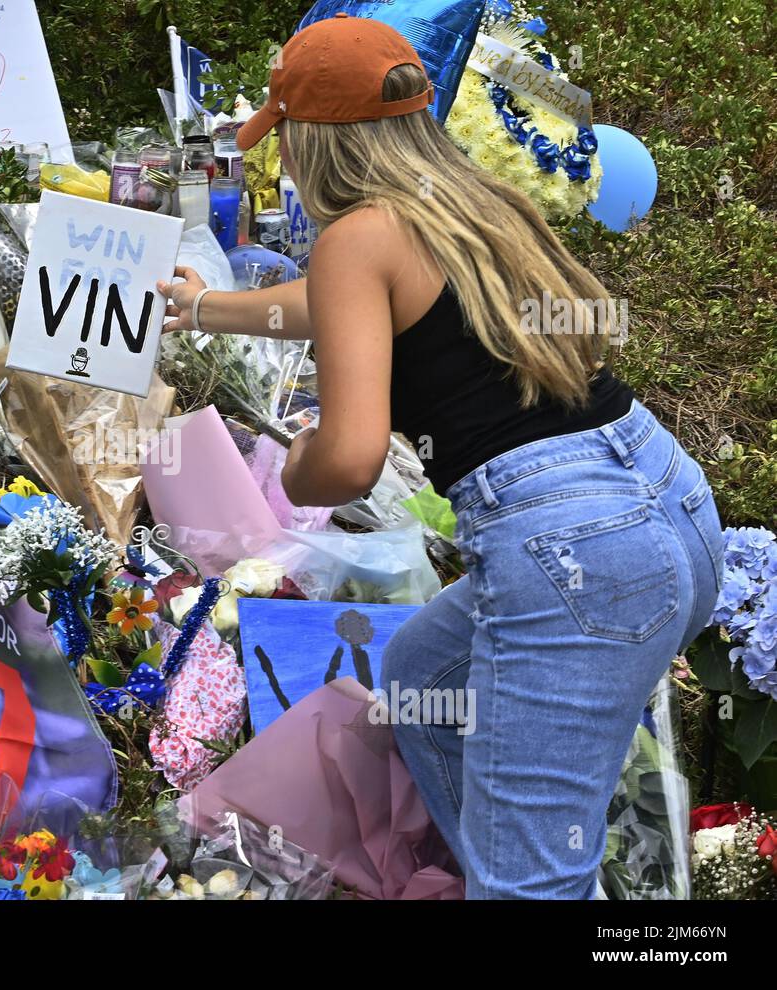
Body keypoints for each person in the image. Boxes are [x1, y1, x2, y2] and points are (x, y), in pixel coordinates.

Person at [158, 15, 725, 898]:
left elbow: (348, 459)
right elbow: (342, 298)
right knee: (425, 676)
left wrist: (299, 462)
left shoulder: (356, 237)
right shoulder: (470, 202)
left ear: (315, 143)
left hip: (572, 554)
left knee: (533, 882)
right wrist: (210, 308)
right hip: (666, 499)